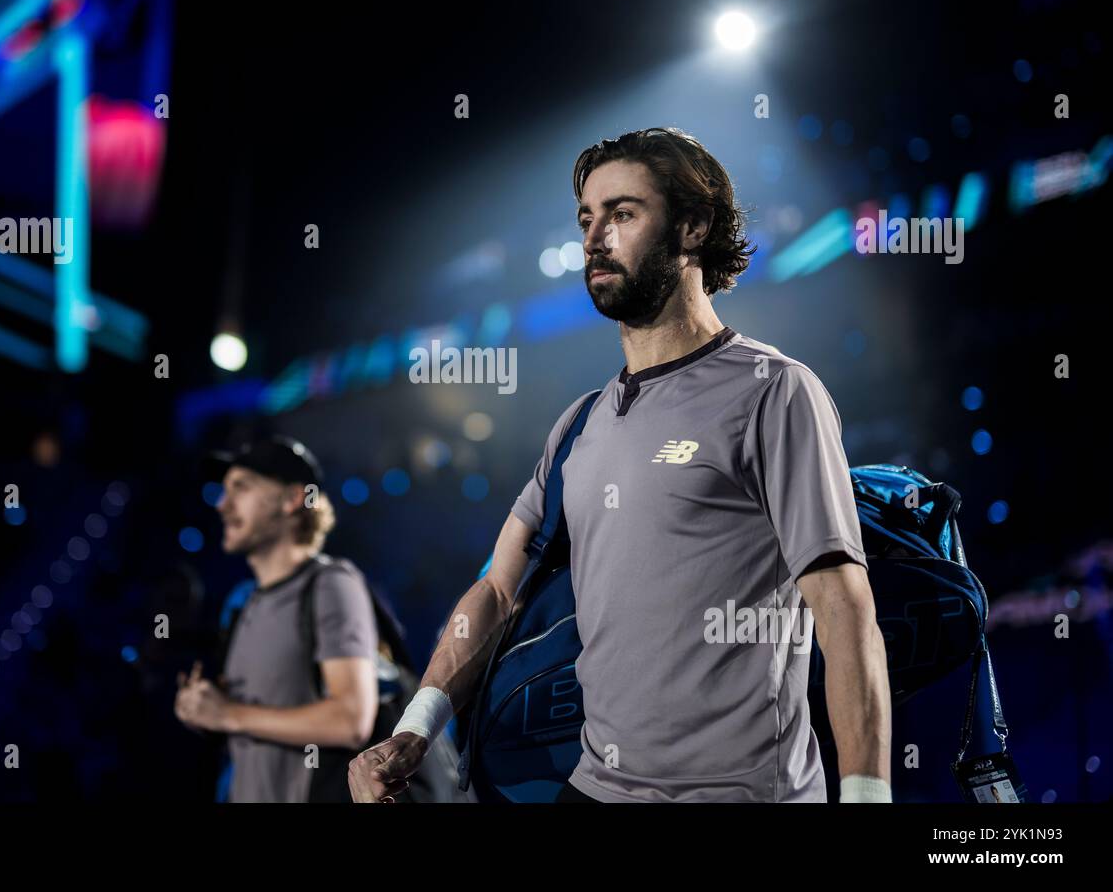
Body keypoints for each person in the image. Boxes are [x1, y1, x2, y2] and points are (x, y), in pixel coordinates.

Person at [349, 127, 892, 803]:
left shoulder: (773, 390)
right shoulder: (579, 423)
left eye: (623, 213)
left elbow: (843, 609)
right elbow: (495, 591)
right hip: (596, 790)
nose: (594, 236)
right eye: (587, 217)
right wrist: (417, 725)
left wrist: (869, 796)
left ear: (692, 228)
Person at [175, 435, 380, 802]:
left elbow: (352, 721)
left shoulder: (331, 584)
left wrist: (228, 715)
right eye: (223, 490)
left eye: (241, 487)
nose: (222, 505)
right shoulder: (241, 602)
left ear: (292, 499)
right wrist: (203, 710)